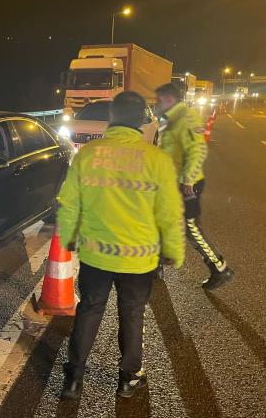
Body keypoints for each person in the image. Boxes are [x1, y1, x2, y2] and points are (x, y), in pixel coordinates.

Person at [58, 91, 185, 400]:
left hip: (95, 257)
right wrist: (173, 250)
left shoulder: (88, 154)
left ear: (112, 118)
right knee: (132, 315)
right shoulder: (157, 160)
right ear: (142, 121)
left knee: (89, 310)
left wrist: (68, 238)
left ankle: (74, 378)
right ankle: (128, 377)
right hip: (138, 261)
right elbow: (169, 212)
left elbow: (69, 203)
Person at [154, 82, 234, 290]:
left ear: (170, 99)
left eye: (159, 99)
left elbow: (197, 150)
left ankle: (220, 268)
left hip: (187, 186)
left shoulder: (186, 118)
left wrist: (187, 180)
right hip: (172, 184)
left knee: (191, 229)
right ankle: (157, 265)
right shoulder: (170, 119)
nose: (157, 103)